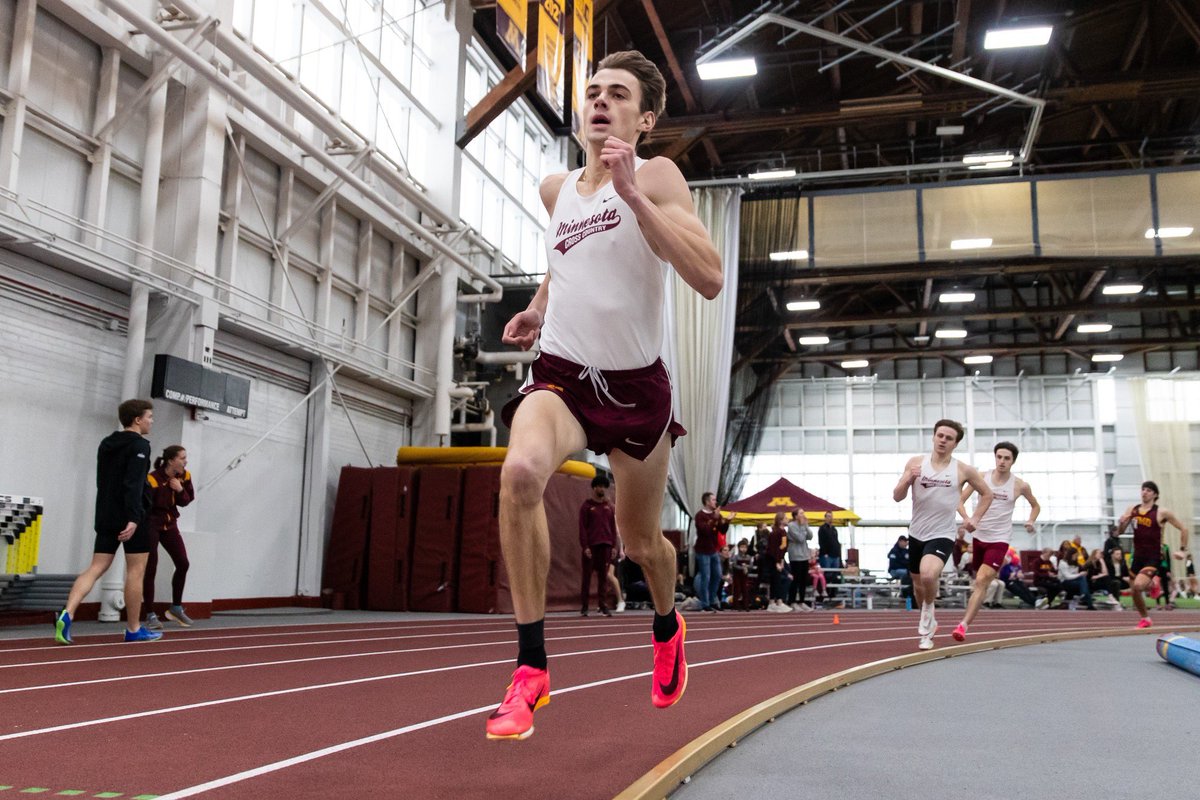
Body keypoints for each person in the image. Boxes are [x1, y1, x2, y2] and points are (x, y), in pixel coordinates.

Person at [485, 50, 723, 741]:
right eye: (593, 91)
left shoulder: (657, 175)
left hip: (637, 387)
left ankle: (666, 625)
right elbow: (567, 260)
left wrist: (632, 194)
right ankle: (530, 668)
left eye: (618, 94)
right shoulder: (555, 189)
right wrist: (538, 307)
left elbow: (708, 277)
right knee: (520, 473)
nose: (600, 101)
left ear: (644, 119)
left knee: (641, 542)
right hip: (563, 373)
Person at [54, 399, 163, 645]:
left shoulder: (106, 443)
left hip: (106, 514)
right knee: (136, 571)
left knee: (96, 567)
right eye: (149, 417)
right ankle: (134, 629)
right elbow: (133, 484)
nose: (152, 421)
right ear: (137, 420)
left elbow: (103, 481)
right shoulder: (140, 445)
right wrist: (134, 518)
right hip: (131, 517)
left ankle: (68, 612)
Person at [893, 419, 992, 650]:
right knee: (918, 585)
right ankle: (928, 616)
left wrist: (975, 518)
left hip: (942, 533)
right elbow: (897, 496)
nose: (943, 441)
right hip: (916, 533)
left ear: (955, 444)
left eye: (949, 438)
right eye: (940, 436)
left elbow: (987, 494)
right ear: (933, 436)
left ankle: (927, 617)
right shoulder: (915, 463)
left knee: (929, 575)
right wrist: (908, 479)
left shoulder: (963, 470)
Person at [951, 441, 1040, 641]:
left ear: (1013, 461)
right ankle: (972, 610)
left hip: (999, 539)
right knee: (978, 581)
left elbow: (1035, 505)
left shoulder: (1020, 485)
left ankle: (963, 625)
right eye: (999, 457)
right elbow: (959, 500)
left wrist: (1030, 521)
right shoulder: (981, 477)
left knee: (982, 580)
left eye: (1006, 458)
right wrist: (967, 519)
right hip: (978, 537)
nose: (1002, 461)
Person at [1116, 480, 1190, 629]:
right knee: (1134, 591)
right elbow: (1120, 532)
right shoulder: (1132, 510)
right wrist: (1121, 522)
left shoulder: (1162, 512)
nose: (1144, 492)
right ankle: (1145, 618)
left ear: (1155, 495)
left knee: (1139, 585)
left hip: (1153, 556)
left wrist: (1182, 550)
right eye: (1143, 489)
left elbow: (1184, 529)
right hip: (1137, 556)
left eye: (1148, 490)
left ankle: (1153, 583)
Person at [143, 445, 195, 630]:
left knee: (183, 563)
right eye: (182, 458)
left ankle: (176, 608)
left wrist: (180, 490)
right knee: (151, 568)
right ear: (171, 460)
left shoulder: (185, 476)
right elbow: (146, 505)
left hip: (170, 524)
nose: (185, 461)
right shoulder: (152, 479)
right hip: (151, 524)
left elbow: (186, 501)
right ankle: (150, 614)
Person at [578, 475, 618, 617]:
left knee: (603, 578)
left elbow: (613, 528)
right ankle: (585, 606)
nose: (602, 489)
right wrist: (585, 547)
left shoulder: (609, 508)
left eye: (604, 487)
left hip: (606, 546)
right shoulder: (586, 506)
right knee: (587, 578)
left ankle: (603, 605)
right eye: (599, 486)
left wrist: (614, 546)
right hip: (591, 547)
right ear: (594, 488)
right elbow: (582, 528)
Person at [692, 492, 731, 613]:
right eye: (713, 500)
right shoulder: (700, 516)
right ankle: (705, 603)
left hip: (713, 550)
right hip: (703, 550)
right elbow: (705, 530)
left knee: (718, 575)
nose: (716, 502)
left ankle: (711, 599)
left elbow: (722, 530)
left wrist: (727, 521)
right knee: (706, 576)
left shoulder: (717, 515)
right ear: (707, 502)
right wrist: (714, 518)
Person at [785, 508, 813, 611]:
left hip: (805, 555)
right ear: (796, 516)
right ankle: (792, 601)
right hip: (795, 556)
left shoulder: (803, 525)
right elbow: (800, 538)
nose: (803, 515)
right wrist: (803, 527)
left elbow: (810, 536)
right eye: (801, 513)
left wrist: (806, 525)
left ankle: (802, 601)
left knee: (803, 580)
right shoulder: (791, 526)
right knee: (795, 580)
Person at [1056, 539, 1096, 610]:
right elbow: (1067, 576)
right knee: (1082, 579)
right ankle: (1087, 600)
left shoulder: (1076, 564)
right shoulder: (1063, 563)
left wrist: (1082, 574)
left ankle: (1087, 601)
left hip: (1074, 581)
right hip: (1064, 582)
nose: (1076, 557)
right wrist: (1080, 575)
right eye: (1075, 555)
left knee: (1083, 580)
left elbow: (1076, 574)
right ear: (1070, 555)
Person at [765, 511, 792, 612]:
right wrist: (777, 561)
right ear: (781, 521)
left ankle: (772, 602)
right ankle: (779, 602)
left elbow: (783, 547)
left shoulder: (783, 532)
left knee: (776, 579)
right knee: (776, 580)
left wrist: (781, 559)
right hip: (772, 558)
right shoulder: (775, 533)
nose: (788, 519)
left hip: (779, 558)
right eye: (785, 518)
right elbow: (773, 549)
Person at [817, 510, 841, 598]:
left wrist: (838, 554)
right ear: (825, 518)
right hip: (827, 555)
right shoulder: (822, 529)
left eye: (831, 516)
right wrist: (825, 553)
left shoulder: (834, 529)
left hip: (835, 555)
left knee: (835, 575)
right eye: (828, 516)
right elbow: (821, 541)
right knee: (827, 574)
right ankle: (824, 593)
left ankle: (833, 594)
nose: (830, 518)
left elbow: (836, 541)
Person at [887, 535, 913, 601]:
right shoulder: (894, 551)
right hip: (894, 570)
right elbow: (893, 564)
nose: (906, 544)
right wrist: (905, 565)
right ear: (900, 541)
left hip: (905, 570)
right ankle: (903, 592)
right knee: (905, 573)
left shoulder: (906, 551)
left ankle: (910, 592)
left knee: (911, 573)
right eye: (905, 542)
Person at [730, 539, 753, 611]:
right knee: (737, 589)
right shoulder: (736, 556)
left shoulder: (748, 557)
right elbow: (734, 565)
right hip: (737, 575)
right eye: (742, 547)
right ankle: (736, 605)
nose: (743, 549)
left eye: (745, 547)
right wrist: (743, 568)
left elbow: (751, 566)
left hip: (745, 576)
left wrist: (747, 567)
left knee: (745, 590)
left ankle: (745, 605)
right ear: (739, 548)